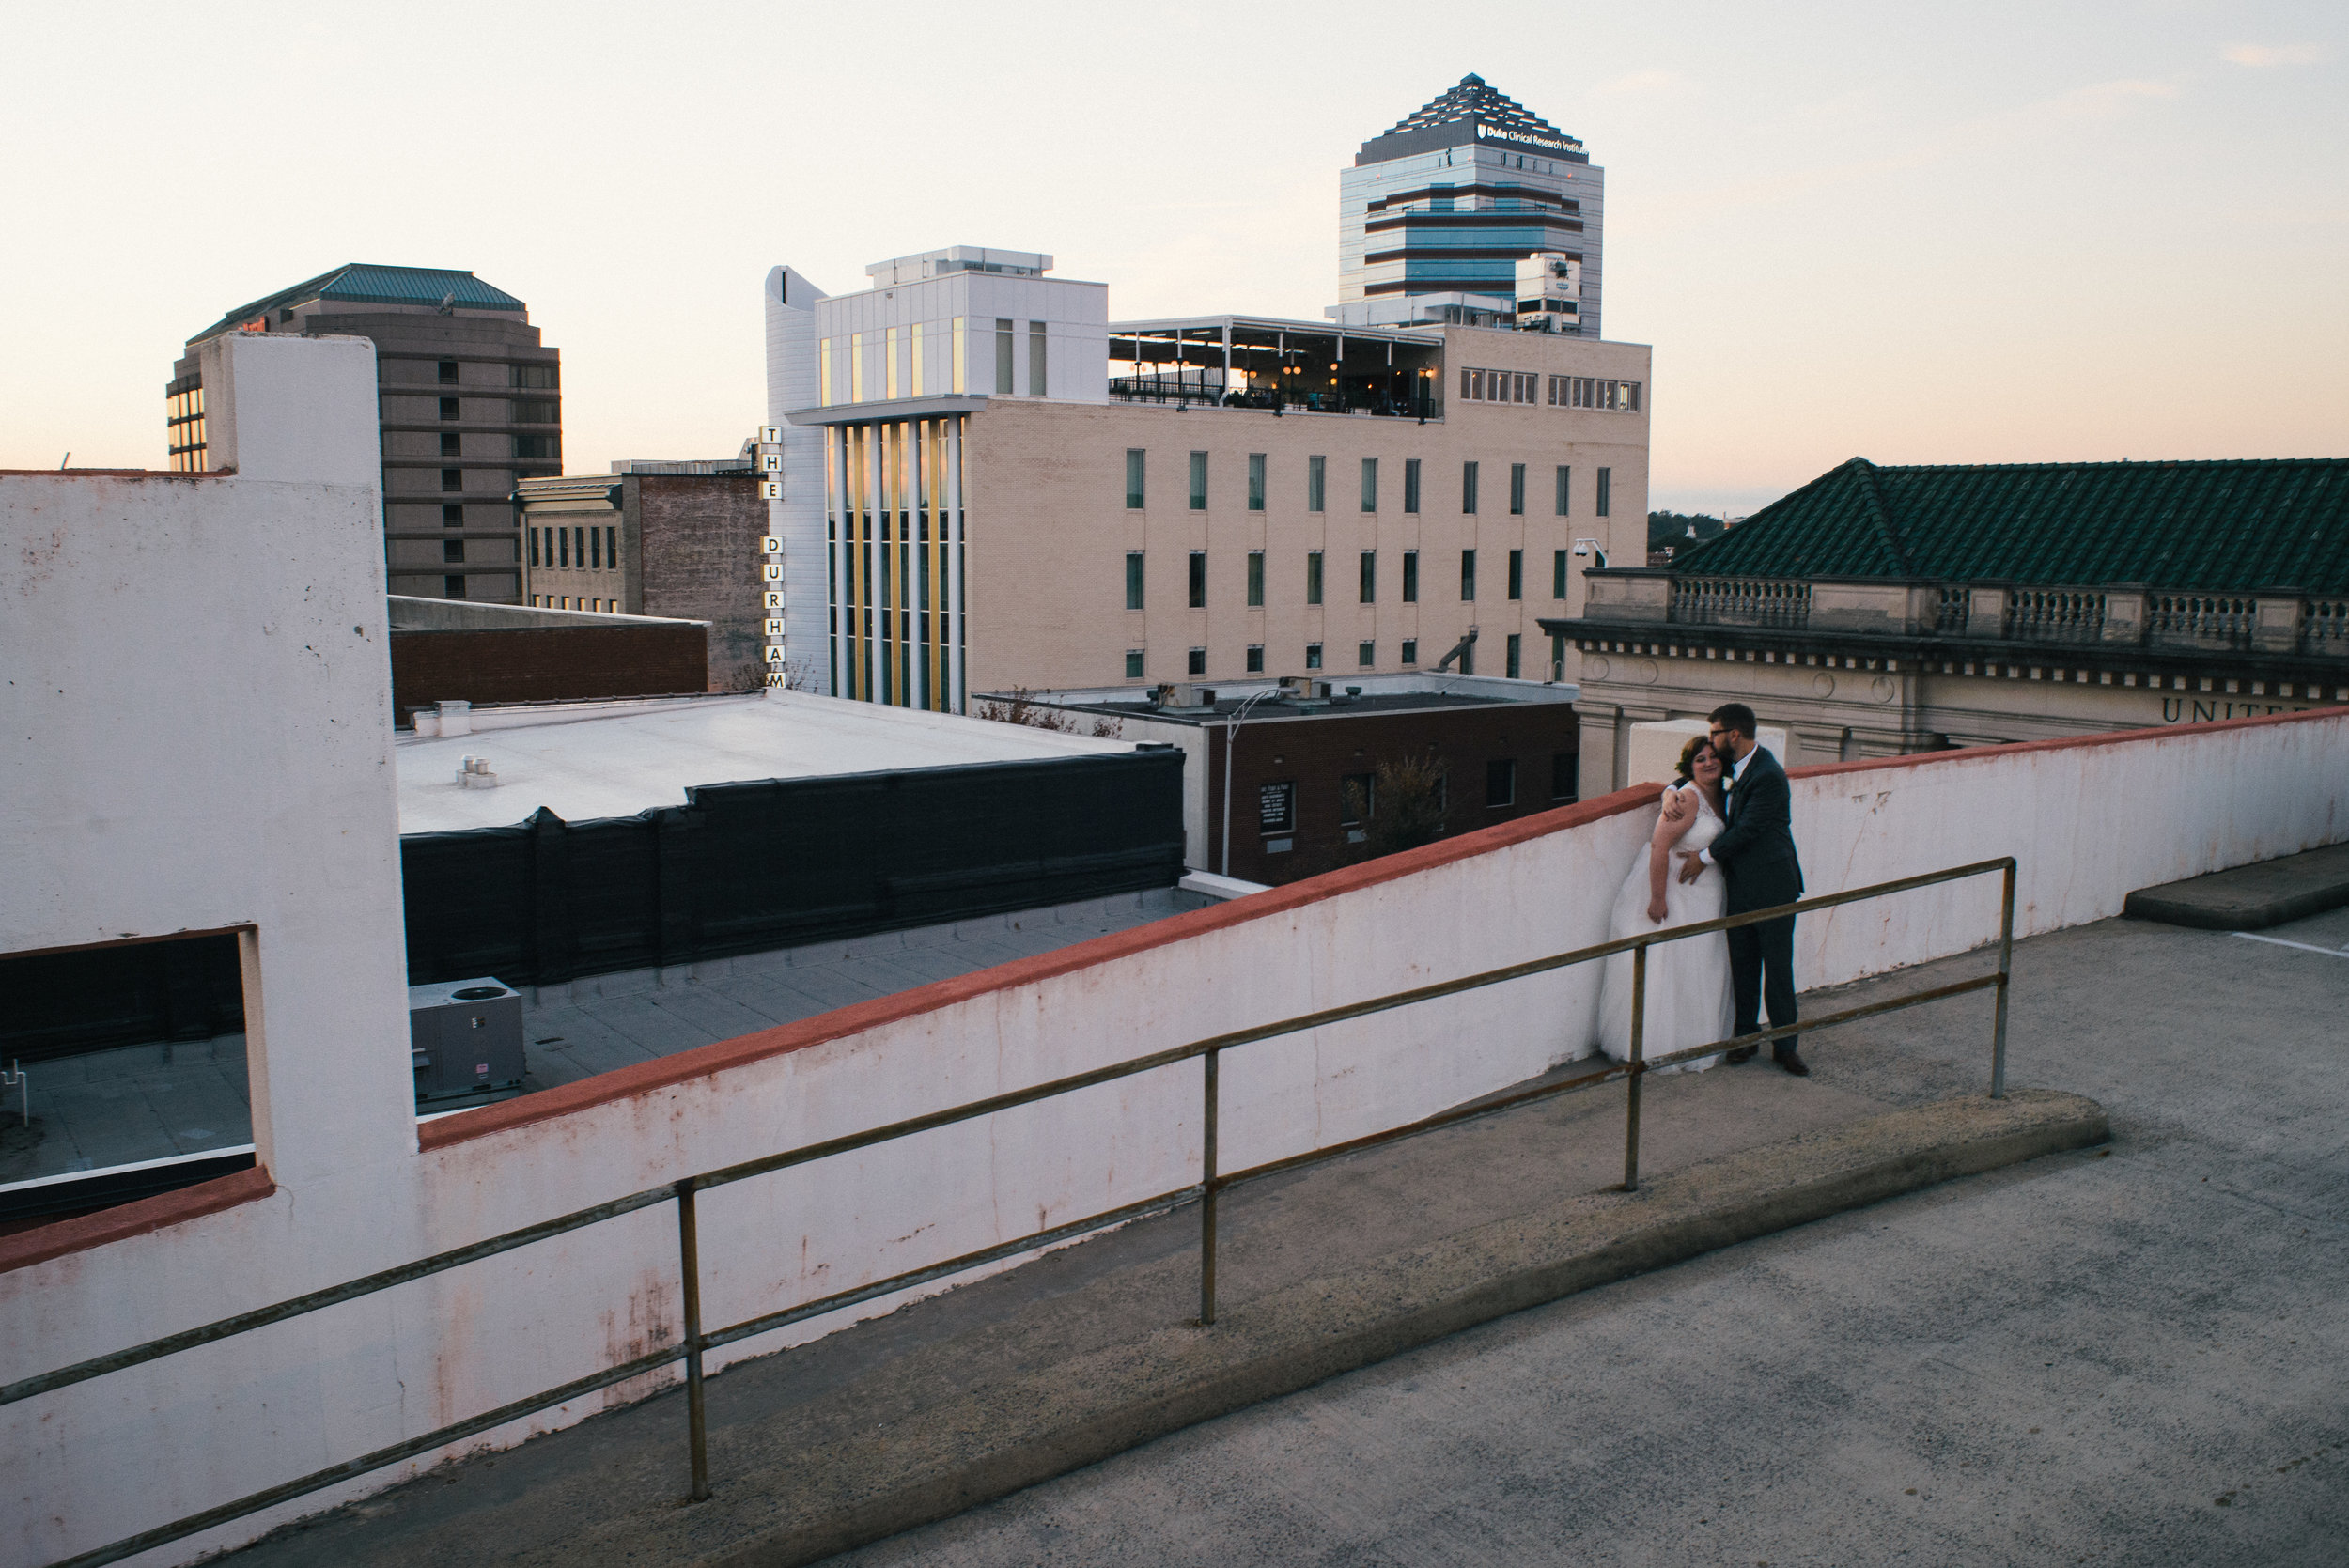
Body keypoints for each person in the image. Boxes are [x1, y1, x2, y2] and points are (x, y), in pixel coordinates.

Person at [1677, 702, 1809, 1075]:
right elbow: (1688, 778)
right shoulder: (1733, 769)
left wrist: (1701, 857)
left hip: (1772, 885)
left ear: (1733, 735)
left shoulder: (1768, 774)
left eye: (1716, 732)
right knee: (1744, 966)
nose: (1712, 739)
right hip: (1739, 886)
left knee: (1778, 969)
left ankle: (1785, 1047)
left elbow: (1747, 829)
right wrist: (1671, 795)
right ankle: (1745, 1039)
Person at [1593, 735, 1734, 1072]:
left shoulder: (1724, 796)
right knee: (1669, 967)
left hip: (1706, 896)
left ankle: (1693, 1040)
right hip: (1675, 894)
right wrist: (1657, 898)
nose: (1708, 763)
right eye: (1700, 759)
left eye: (1713, 757)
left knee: (1700, 968)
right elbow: (1658, 847)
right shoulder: (1687, 798)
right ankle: (1661, 1045)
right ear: (1690, 766)